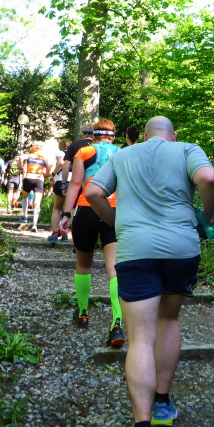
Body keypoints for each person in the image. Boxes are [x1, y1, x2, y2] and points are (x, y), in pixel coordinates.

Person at [84, 116, 214, 427]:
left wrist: (117, 221)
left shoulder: (123, 154)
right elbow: (208, 178)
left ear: (144, 137)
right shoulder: (186, 149)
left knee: (141, 339)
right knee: (168, 320)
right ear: (173, 135)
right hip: (180, 248)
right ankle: (161, 403)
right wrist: (206, 216)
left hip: (135, 249)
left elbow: (93, 192)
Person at [59, 119, 125, 349]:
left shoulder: (84, 151)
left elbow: (76, 183)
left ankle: (83, 313)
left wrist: (66, 214)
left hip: (87, 210)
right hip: (114, 211)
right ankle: (117, 323)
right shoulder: (123, 153)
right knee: (114, 268)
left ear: (94, 135)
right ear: (113, 136)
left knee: (84, 265)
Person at [19, 144, 50, 231]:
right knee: (37, 202)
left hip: (29, 177)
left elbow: (20, 158)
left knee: (25, 196)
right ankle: (34, 224)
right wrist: (44, 175)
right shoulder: (44, 158)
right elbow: (49, 171)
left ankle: (25, 216)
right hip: (39, 180)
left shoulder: (29, 155)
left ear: (32, 150)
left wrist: (21, 168)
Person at [48, 139, 72, 244]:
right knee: (70, 209)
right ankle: (65, 234)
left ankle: (55, 233)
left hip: (61, 180)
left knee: (57, 208)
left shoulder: (60, 153)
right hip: (73, 181)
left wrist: (53, 174)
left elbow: (61, 163)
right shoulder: (76, 153)